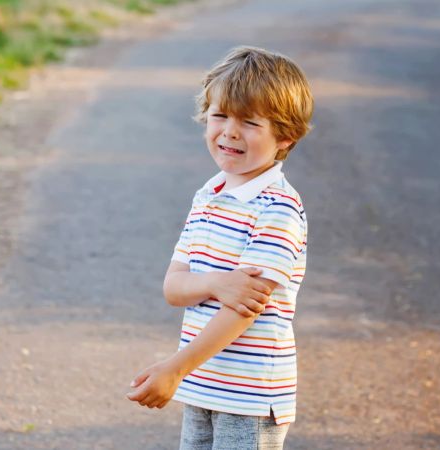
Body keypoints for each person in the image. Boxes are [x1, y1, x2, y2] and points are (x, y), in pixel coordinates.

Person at [126, 46, 313, 449]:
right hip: (203, 383)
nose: (229, 131)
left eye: (249, 122)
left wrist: (175, 369)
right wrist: (216, 282)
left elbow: (243, 309)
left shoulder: (279, 209)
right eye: (220, 115)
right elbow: (174, 288)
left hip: (249, 395)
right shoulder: (208, 194)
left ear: (285, 136)